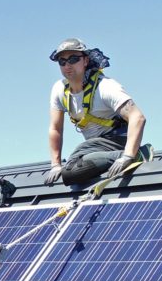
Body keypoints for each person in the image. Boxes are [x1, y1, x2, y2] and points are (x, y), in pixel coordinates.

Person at [44, 37, 151, 187]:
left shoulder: (105, 87)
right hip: (94, 145)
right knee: (70, 167)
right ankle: (112, 157)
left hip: (118, 141)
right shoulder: (59, 89)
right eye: (62, 61)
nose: (67, 65)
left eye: (73, 59)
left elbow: (137, 118)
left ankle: (138, 154)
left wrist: (128, 155)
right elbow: (55, 128)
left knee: (70, 172)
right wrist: (55, 165)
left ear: (86, 61)